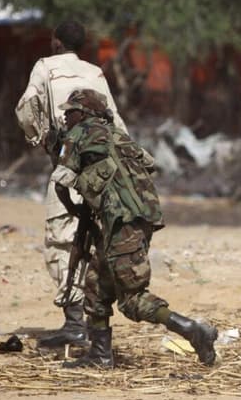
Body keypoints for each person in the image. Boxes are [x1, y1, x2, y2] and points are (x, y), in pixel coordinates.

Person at [50, 89, 218, 368]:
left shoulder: (77, 134)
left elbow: (60, 182)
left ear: (85, 113)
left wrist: (77, 209)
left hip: (120, 223)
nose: (66, 116)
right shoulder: (119, 135)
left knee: (131, 299)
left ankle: (193, 331)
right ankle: (101, 356)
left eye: (71, 111)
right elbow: (148, 164)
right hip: (141, 218)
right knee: (96, 286)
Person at [15, 20, 132, 349]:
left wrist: (38, 137)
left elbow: (25, 108)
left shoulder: (45, 67)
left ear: (55, 42)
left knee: (61, 240)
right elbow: (116, 120)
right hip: (101, 171)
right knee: (94, 242)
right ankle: (95, 329)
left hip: (67, 166)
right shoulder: (94, 72)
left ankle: (74, 322)